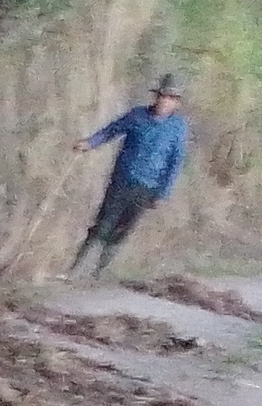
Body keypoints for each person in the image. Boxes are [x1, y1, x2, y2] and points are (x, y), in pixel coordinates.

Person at [68, 75, 192, 281]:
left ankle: (99, 273)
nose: (164, 101)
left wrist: (163, 193)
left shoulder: (178, 128)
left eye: (170, 98)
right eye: (162, 96)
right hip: (122, 180)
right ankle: (76, 270)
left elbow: (175, 162)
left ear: (176, 103)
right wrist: (89, 143)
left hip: (147, 187)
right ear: (156, 97)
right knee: (103, 223)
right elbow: (111, 131)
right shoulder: (137, 116)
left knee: (123, 228)